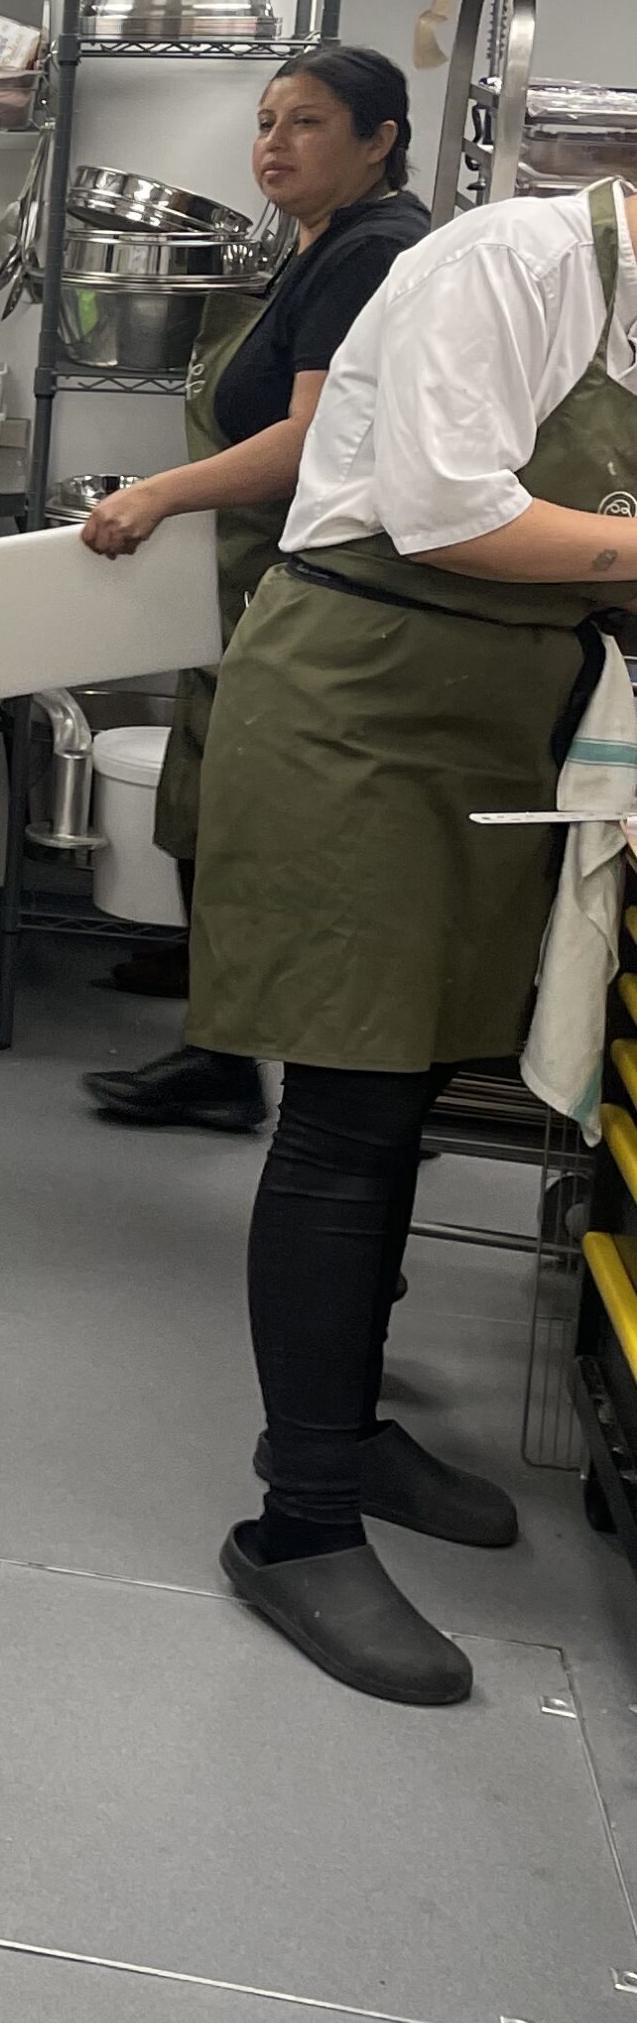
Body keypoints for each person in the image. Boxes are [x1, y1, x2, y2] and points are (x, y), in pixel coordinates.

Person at [187, 167, 637, 1703]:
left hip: (494, 719)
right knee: (349, 1104)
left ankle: (347, 1428)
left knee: (419, 1086)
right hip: (362, 705)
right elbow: (452, 513)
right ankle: (298, 1525)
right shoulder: (514, 265)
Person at [78, 47, 430, 1130]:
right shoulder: (312, 247)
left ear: (379, 140)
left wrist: (157, 496)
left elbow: (312, 439)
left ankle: (260, 1066)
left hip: (305, 582)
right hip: (246, 572)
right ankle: (217, 1026)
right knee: (211, 799)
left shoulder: (372, 252)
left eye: (307, 122)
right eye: (267, 121)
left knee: (259, 818)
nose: (274, 144)